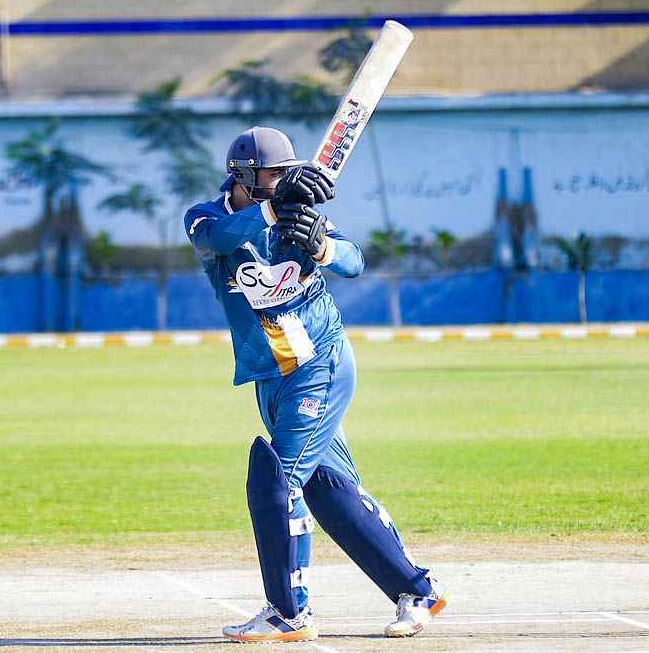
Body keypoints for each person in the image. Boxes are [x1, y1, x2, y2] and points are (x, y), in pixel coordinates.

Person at [183, 126, 449, 643]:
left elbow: (354, 260)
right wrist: (270, 209)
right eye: (272, 174)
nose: (283, 181)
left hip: (320, 363)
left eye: (287, 173)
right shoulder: (207, 217)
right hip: (270, 374)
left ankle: (289, 612)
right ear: (242, 176)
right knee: (328, 490)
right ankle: (419, 591)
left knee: (276, 480)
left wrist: (323, 246)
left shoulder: (298, 216)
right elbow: (217, 239)